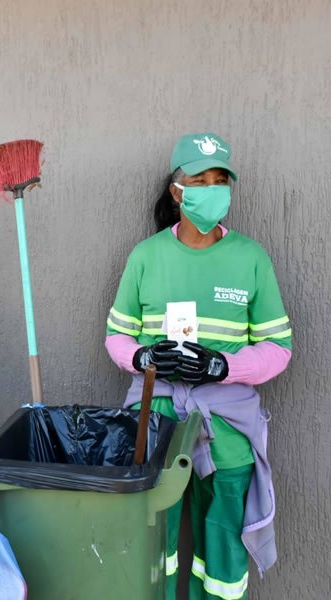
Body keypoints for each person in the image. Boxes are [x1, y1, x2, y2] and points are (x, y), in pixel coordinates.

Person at [105, 133, 292, 599]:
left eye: (219, 180)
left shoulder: (251, 258)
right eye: (199, 180)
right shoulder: (146, 257)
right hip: (157, 428)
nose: (211, 189)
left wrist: (222, 367)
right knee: (153, 553)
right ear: (177, 190)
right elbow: (116, 337)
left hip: (227, 436)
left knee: (224, 561)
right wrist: (142, 357)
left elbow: (278, 348)